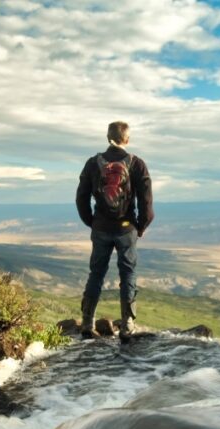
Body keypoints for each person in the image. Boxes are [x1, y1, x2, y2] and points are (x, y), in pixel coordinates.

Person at [75, 121, 153, 343]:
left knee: (96, 274)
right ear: (126, 139)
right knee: (127, 274)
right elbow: (146, 201)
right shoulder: (136, 164)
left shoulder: (92, 163)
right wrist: (141, 226)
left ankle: (87, 323)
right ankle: (127, 327)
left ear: (107, 137)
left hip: (100, 227)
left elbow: (81, 197)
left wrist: (91, 221)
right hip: (126, 228)